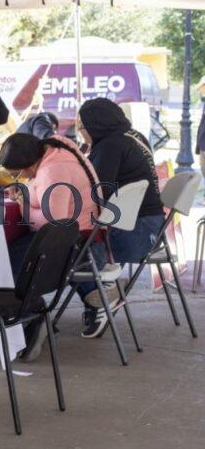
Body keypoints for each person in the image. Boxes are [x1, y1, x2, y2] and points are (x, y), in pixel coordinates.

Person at [0, 133, 99, 355]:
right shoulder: (55, 150)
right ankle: (33, 317)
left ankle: (30, 321)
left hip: (71, 240)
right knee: (11, 250)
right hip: (83, 232)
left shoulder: (53, 170)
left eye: (20, 172)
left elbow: (55, 222)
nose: (21, 177)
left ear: (30, 164)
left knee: (5, 261)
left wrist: (24, 206)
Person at [76, 98, 166, 336]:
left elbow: (96, 191)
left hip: (134, 237)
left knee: (71, 247)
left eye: (82, 125)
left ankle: (99, 298)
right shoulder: (128, 137)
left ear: (95, 125)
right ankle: (100, 294)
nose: (80, 130)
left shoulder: (110, 147)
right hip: (150, 231)